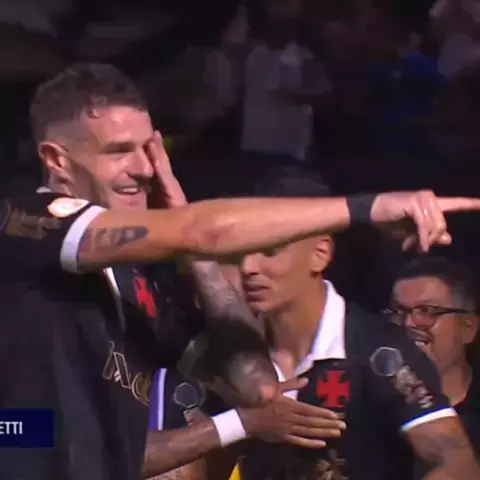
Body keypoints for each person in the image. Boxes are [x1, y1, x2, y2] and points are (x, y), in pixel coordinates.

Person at [1, 63, 480, 480]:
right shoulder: (22, 224)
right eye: (118, 151)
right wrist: (366, 208)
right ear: (57, 161)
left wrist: (193, 249)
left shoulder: (139, 284)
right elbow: (26, 433)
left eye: (149, 149)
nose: (144, 168)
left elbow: (257, 385)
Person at [149, 171, 480, 480]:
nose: (249, 267)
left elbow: (458, 464)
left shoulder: (380, 352)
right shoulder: (222, 358)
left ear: (320, 253)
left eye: (270, 250)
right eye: (243, 251)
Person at [389, 256, 480, 473]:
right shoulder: (371, 404)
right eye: (399, 312)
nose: (408, 323)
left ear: (468, 327)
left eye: (427, 311)